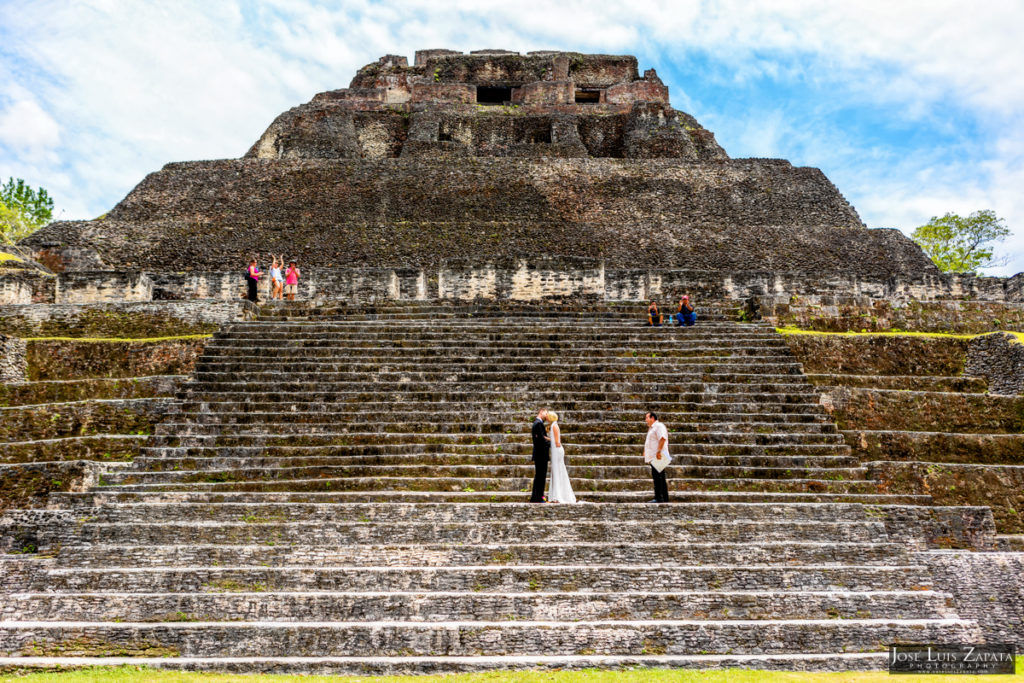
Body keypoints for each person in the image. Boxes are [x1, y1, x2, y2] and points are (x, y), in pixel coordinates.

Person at [545, 411, 576, 504]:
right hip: (556, 450)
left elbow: (557, 442)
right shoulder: (554, 425)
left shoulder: (554, 426)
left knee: (558, 470)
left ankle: (558, 495)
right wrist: (546, 438)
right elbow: (554, 439)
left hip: (557, 451)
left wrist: (548, 440)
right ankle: (556, 494)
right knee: (556, 471)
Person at [644, 411, 671, 503]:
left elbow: (662, 438)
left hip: (659, 455)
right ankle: (662, 497)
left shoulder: (658, 426)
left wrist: (659, 451)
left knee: (658, 477)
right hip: (655, 456)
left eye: (647, 418)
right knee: (659, 477)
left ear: (652, 418)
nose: (645, 420)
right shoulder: (652, 428)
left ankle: (660, 497)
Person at [530, 408, 550, 503]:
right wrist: (552, 444)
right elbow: (541, 440)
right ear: (541, 412)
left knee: (539, 477)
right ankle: (538, 498)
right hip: (541, 454)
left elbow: (542, 438)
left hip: (539, 454)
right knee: (541, 477)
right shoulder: (538, 424)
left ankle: (535, 497)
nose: (547, 416)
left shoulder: (537, 423)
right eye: (546, 413)